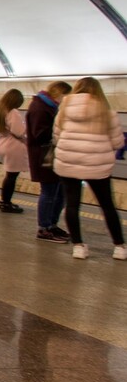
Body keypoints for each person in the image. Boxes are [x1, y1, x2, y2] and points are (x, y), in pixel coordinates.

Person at [53, 76, 125, 260]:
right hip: (96, 164)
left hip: (68, 161)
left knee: (72, 204)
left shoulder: (64, 109)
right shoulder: (107, 112)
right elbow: (117, 142)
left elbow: (57, 136)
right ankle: (119, 247)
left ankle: (78, 246)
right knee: (107, 205)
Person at [27, 80, 72, 243]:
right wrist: (61, 132)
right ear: (58, 93)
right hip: (44, 156)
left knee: (58, 192)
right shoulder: (40, 107)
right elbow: (40, 134)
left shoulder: (49, 107)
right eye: (65, 96)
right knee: (48, 192)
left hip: (51, 155)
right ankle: (44, 228)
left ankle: (52, 224)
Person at [0, 88, 27, 213]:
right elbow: (19, 132)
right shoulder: (12, 112)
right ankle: (6, 202)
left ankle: (5, 201)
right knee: (12, 176)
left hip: (1, 143)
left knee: (10, 175)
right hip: (13, 146)